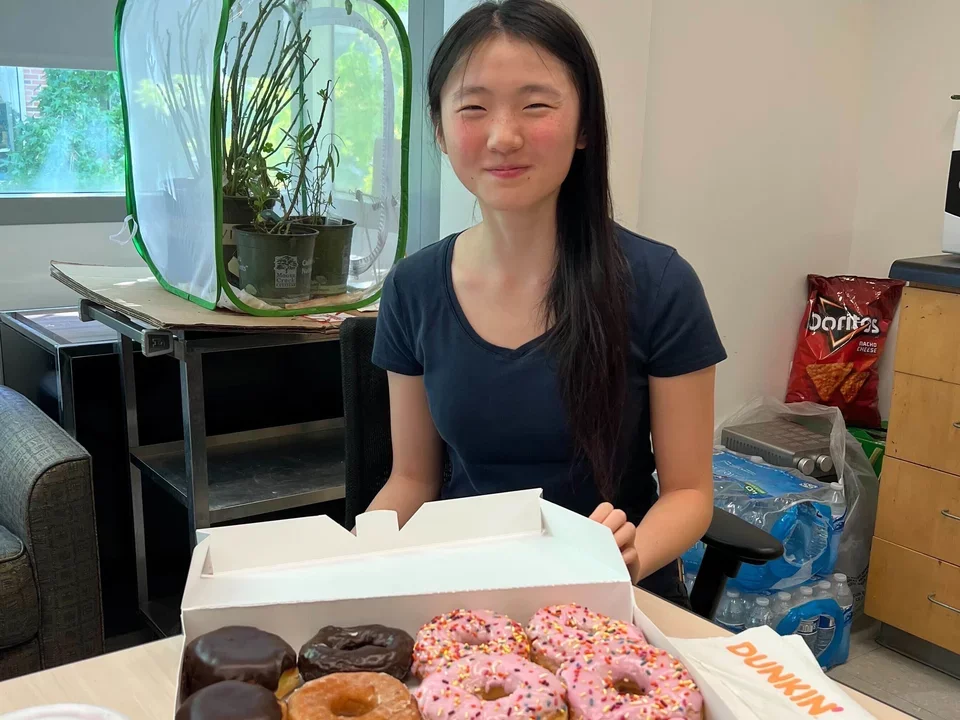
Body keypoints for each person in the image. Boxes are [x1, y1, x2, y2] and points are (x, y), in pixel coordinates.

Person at [366, 0, 725, 605]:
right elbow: (413, 479)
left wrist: (623, 557)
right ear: (439, 128)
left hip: (613, 596)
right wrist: (353, 561)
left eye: (536, 106)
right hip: (466, 594)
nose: (503, 136)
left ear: (584, 125)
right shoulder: (412, 287)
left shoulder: (660, 283)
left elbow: (690, 493)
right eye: (473, 107)